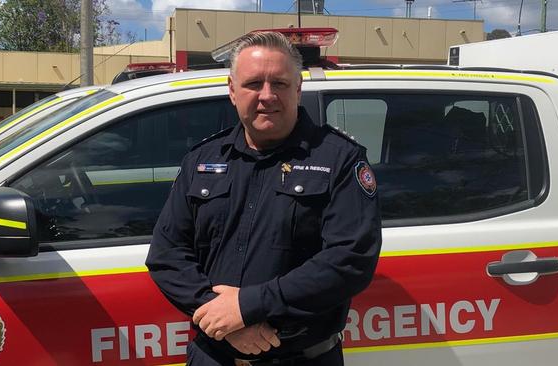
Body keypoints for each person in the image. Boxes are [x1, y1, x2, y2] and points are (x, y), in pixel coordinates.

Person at [146, 31, 382, 366]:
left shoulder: (339, 160)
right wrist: (222, 317)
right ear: (232, 90)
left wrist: (247, 307)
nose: (267, 96)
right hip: (214, 356)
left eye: (280, 84)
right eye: (254, 83)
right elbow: (167, 255)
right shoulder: (201, 160)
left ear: (298, 88)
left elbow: (350, 260)